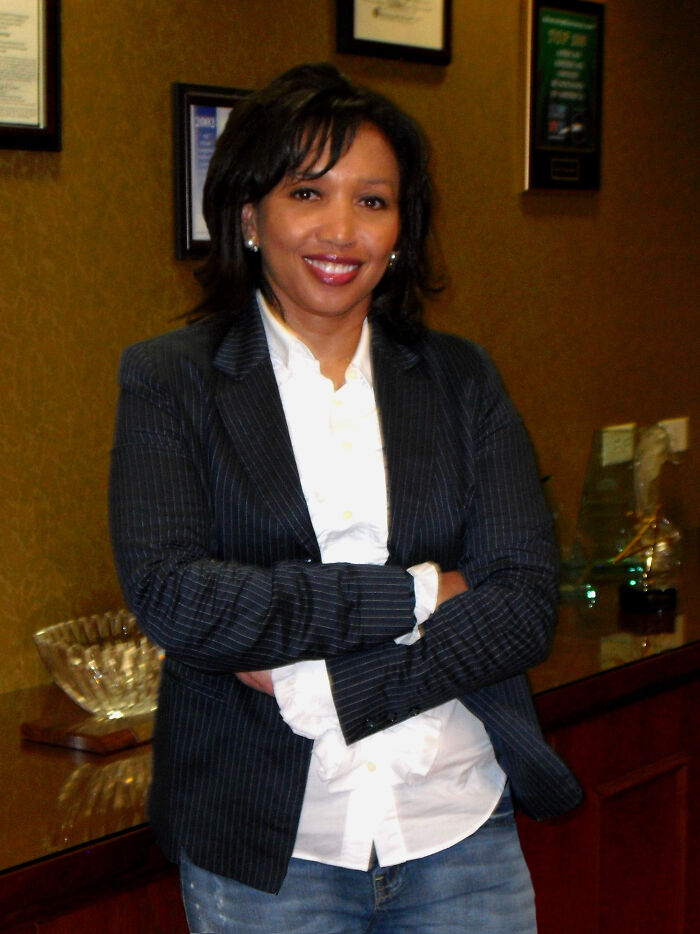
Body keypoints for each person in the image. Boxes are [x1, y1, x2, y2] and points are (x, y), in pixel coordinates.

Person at [109, 62, 582, 934]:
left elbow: (520, 604)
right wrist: (417, 592)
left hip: (458, 831)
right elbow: (178, 597)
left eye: (373, 201)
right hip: (267, 853)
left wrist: (335, 689)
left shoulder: (459, 379)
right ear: (250, 216)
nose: (341, 230)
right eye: (307, 193)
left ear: (402, 228)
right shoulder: (171, 381)